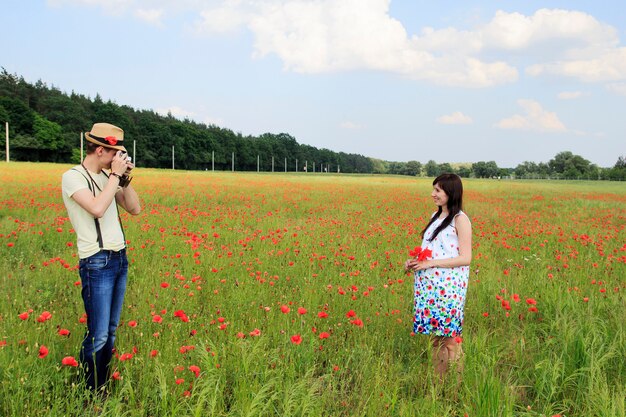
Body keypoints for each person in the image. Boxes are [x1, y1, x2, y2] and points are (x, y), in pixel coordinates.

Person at [61, 123, 141, 392]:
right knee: (99, 336)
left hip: (119, 259)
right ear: (99, 149)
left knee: (111, 331)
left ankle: (102, 386)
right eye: (115, 154)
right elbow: (96, 208)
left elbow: (135, 208)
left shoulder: (109, 178)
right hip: (97, 261)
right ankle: (91, 392)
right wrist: (115, 178)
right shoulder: (73, 177)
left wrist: (124, 179)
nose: (118, 159)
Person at [405, 173, 471, 379]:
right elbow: (431, 250)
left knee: (451, 340)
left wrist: (430, 263)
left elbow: (465, 258)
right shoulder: (435, 217)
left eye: (437, 190)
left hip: (449, 288)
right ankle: (439, 382)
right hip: (430, 288)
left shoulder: (460, 219)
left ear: (451, 193)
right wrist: (415, 261)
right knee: (435, 338)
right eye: (433, 189)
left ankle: (456, 384)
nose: (432, 194)